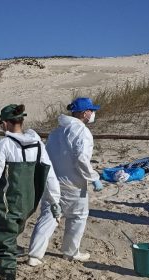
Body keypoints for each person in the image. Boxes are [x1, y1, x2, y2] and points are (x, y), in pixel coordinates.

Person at [0, 104, 61, 280]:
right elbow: (50, 174)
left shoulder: (3, 146)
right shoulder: (38, 145)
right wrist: (55, 200)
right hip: (29, 202)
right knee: (12, 236)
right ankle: (4, 267)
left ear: (4, 123)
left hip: (8, 202)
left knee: (4, 240)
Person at [27, 97, 103, 266]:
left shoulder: (56, 132)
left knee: (49, 215)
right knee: (78, 216)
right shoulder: (82, 132)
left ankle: (34, 255)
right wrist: (95, 177)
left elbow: (47, 156)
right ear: (85, 113)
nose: (93, 113)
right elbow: (81, 159)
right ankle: (70, 252)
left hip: (52, 181)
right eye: (92, 111)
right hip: (74, 183)